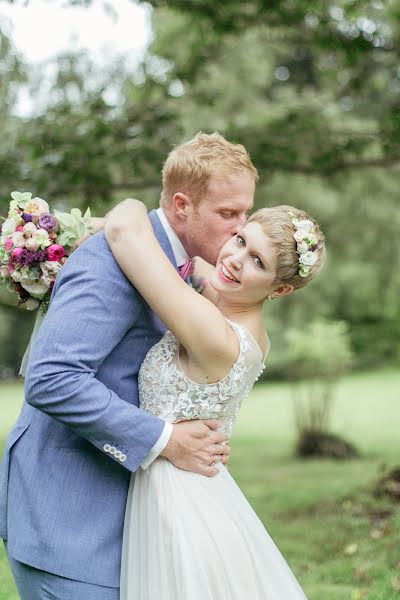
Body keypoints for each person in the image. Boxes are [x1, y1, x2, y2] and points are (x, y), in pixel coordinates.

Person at [0, 132, 257, 599]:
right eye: (228, 214)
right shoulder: (112, 260)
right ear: (182, 206)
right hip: (67, 519)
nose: (239, 229)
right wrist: (165, 440)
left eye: (245, 214)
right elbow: (52, 378)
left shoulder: (169, 264)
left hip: (121, 519)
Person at [103, 198, 326, 599]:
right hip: (195, 489)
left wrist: (141, 205)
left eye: (258, 262)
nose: (237, 259)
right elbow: (205, 267)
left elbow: (125, 232)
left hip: (178, 503)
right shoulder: (237, 317)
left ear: (283, 289)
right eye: (240, 239)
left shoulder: (214, 333)